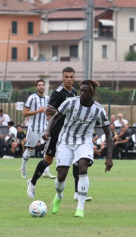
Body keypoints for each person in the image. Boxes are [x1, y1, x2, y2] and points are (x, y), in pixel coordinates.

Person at [45, 80, 112, 218]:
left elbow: (108, 134)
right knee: (61, 175)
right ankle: (59, 196)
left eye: (85, 91)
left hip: (84, 142)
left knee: (82, 168)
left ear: (92, 93)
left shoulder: (98, 110)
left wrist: (109, 158)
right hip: (65, 141)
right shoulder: (70, 102)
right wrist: (47, 131)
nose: (82, 93)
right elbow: (55, 117)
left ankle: (80, 207)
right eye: (81, 90)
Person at [27, 67, 78, 199]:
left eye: (71, 77)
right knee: (48, 160)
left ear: (74, 78)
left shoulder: (74, 92)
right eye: (66, 77)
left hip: (68, 132)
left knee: (77, 159)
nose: (69, 79)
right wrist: (62, 114)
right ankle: (32, 183)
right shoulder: (58, 92)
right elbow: (48, 110)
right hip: (56, 131)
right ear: (62, 77)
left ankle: (78, 192)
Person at [20, 79, 49, 178]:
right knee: (30, 151)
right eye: (39, 85)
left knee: (49, 146)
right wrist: (37, 111)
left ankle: (46, 171)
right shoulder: (32, 98)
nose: (41, 86)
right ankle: (23, 166)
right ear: (36, 87)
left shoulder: (47, 99)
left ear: (45, 87)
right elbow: (24, 113)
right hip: (33, 129)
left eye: (42, 85)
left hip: (44, 128)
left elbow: (49, 112)